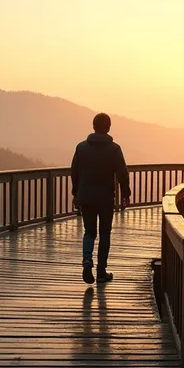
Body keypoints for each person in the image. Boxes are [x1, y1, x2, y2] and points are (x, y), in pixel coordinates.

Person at [70, 113, 131, 284]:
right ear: (109, 127)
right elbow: (122, 173)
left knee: (89, 232)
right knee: (105, 234)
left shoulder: (81, 148)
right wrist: (126, 194)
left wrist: (76, 193)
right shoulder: (114, 149)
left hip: (87, 197)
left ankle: (87, 260)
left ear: (93, 126)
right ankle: (101, 271)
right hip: (105, 198)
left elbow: (74, 172)